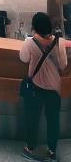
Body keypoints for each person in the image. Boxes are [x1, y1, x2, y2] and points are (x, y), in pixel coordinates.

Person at [20, 11, 67, 161]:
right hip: (54, 87)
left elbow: (23, 58)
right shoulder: (59, 42)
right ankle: (52, 152)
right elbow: (63, 65)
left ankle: (30, 148)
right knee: (53, 120)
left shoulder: (29, 42)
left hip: (36, 86)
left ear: (34, 27)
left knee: (32, 118)